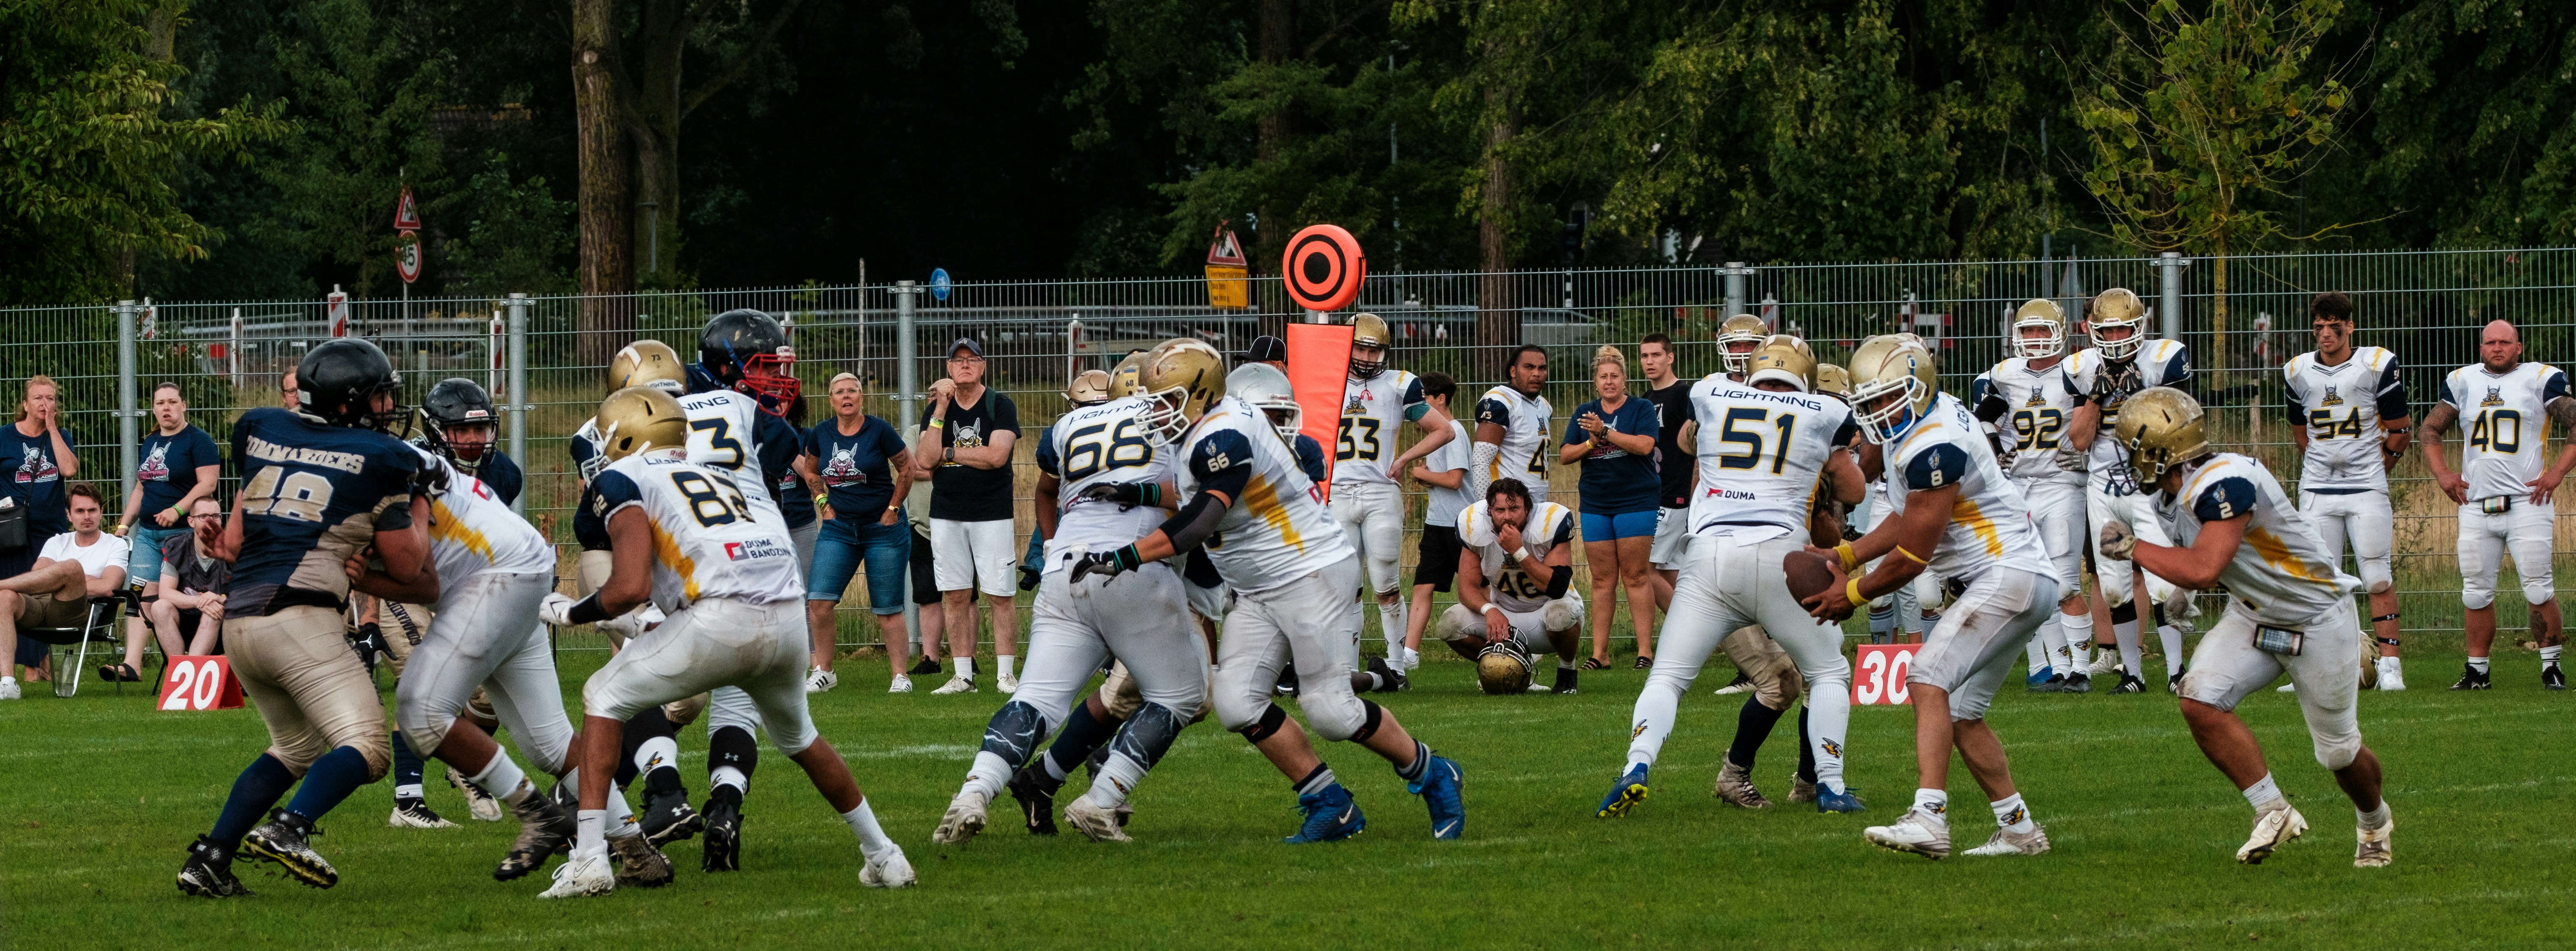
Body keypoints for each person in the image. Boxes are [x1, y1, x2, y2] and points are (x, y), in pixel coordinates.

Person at [1066, 339, 1465, 843]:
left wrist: (1124, 555)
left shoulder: (1225, 434)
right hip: (1260, 584)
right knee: (1236, 702)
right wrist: (1135, 491)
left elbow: (1199, 519)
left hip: (1309, 573)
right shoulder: (1204, 427)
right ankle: (1330, 803)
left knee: (1331, 709)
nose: (1157, 410)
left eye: (1166, 399)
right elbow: (1189, 489)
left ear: (1200, 393)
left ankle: (1432, 772)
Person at [534, 386, 914, 897]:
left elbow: (630, 588)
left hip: (719, 618)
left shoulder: (627, 475)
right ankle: (884, 854)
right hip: (786, 619)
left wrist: (569, 611)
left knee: (603, 695)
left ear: (624, 435)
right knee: (801, 738)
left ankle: (589, 860)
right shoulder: (723, 473)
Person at [173, 337, 431, 896]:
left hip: (241, 622)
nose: (387, 408)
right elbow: (410, 567)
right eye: (379, 397)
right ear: (348, 403)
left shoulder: (265, 430)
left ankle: (212, 858)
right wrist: (419, 503)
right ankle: (290, 827)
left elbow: (235, 545)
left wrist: (222, 545)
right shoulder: (381, 457)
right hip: (300, 619)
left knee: (296, 748)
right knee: (368, 745)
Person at [2108, 386, 2394, 867]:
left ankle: (2375, 821)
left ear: (2161, 449)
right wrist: (2187, 593)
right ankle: (2272, 808)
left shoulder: (2225, 481)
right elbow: (2209, 562)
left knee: (2339, 754)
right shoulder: (2171, 493)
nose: (2131, 459)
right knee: (2198, 697)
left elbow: (2203, 564)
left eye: (2135, 448)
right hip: (2255, 613)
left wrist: (2132, 548)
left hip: (2316, 617)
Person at [932, 358, 1208, 845]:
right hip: (1131, 566)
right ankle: (1101, 799)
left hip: (1065, 570)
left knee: (1035, 697)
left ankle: (973, 791)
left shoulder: (1069, 423)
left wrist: (1054, 541)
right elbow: (1194, 494)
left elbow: (1054, 485)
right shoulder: (1173, 420)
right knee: (1181, 695)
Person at [1597, 336, 1865, 820]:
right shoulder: (1822, 409)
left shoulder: (1713, 391)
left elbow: (1686, 439)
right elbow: (1854, 487)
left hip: (1708, 558)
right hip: (1779, 556)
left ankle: (1635, 766)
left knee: (1669, 677)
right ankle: (1830, 783)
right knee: (1828, 672)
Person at [1816, 336, 2060, 859]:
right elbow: (1910, 517)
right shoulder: (1929, 418)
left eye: (1890, 397)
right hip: (2019, 578)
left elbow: (1913, 554)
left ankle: (1929, 817)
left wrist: (1851, 593)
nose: (1881, 411)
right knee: (1962, 715)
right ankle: (2019, 830)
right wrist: (1847, 554)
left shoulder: (1935, 443)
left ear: (1919, 387)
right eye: (1873, 401)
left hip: (2006, 575)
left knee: (1926, 676)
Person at [375, 441, 648, 885]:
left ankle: (538, 814)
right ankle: (638, 849)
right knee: (551, 742)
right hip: (521, 572)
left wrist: (359, 577)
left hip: (495, 580)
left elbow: (422, 583)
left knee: (420, 708)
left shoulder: (382, 466)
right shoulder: (401, 456)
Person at [2418, 318, 2576, 691]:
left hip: (2527, 500)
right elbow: (2429, 430)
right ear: (2480, 348)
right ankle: (2477, 672)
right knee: (2474, 590)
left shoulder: (2541, 378)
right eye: (2490, 342)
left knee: (2538, 587)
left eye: (2505, 342)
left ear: (2518, 347)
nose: (2497, 348)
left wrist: (2556, 473)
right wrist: (2443, 474)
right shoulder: (2462, 380)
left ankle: (2551, 667)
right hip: (2475, 502)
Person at [2062, 288, 2194, 693]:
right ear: (2093, 331)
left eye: (2123, 330)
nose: (2116, 339)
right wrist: (2095, 395)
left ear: (2139, 328)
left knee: (2161, 582)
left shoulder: (2164, 359)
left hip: (2148, 484)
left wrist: (2141, 397)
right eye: (2108, 331)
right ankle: (2132, 673)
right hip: (2104, 487)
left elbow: (2179, 429)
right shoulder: (2083, 368)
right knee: (2115, 583)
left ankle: (2176, 671)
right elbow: (2080, 440)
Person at [2282, 292, 2412, 691]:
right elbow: (2301, 433)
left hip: (2365, 487)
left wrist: (2374, 467)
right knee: (2319, 580)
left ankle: (2390, 665)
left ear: (2349, 326)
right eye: (2318, 326)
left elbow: (2401, 429)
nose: (2324, 333)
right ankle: (2317, 668)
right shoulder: (2297, 370)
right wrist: (2328, 464)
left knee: (2375, 575)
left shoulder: (2374, 364)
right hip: (2319, 488)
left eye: (2332, 325)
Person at [1971, 301, 2097, 693]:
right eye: (2028, 332)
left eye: (2043, 331)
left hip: (2062, 484)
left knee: (2064, 584)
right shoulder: (2005, 375)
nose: (2036, 339)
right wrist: (1994, 444)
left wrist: (2085, 451)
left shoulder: (2079, 370)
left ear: (2059, 332)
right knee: (2038, 585)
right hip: (2019, 488)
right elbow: (1982, 417)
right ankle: (2058, 669)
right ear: (2017, 335)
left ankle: (2082, 669)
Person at [1332, 313, 1456, 672]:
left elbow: (1443, 430)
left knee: (1386, 584)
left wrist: (1404, 458)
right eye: (1361, 348)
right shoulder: (1329, 381)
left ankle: (1397, 666)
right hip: (1337, 492)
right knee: (1345, 588)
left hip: (1379, 491)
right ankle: (1348, 668)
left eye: (1376, 351)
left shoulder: (1400, 384)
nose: (1368, 358)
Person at [911, 336, 1022, 694]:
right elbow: (924, 460)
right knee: (955, 594)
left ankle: (1005, 673)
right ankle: (963, 676)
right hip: (946, 514)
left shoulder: (999, 405)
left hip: (991, 514)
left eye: (972, 359)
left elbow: (996, 457)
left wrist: (948, 451)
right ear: (947, 368)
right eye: (958, 360)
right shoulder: (937, 410)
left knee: (999, 594)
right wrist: (941, 409)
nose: (964, 365)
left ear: (982, 366)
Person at [801, 373, 916, 692]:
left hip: (883, 529)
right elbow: (811, 469)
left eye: (852, 390)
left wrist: (893, 510)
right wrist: (823, 503)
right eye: (839, 392)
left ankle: (899, 677)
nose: (846, 396)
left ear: (862, 397)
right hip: (838, 529)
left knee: (888, 608)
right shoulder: (820, 434)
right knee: (819, 602)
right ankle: (825, 671)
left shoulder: (879, 430)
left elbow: (907, 468)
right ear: (831, 400)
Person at [107, 382, 221, 683]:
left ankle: (188, 667)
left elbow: (208, 483)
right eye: (160, 403)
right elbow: (141, 487)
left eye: (172, 402)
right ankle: (132, 664)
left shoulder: (198, 440)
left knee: (167, 598)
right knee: (136, 593)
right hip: (147, 534)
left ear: (184, 405)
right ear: (154, 408)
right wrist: (123, 524)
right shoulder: (150, 442)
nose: (166, 408)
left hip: (182, 535)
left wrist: (179, 510)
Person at [1560, 344, 1660, 669]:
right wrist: (1590, 442)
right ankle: (1599, 654)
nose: (1608, 381)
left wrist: (1605, 432)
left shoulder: (1641, 408)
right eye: (1602, 376)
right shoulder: (1584, 412)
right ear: (1595, 381)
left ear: (1624, 379)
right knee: (1602, 580)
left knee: (1635, 575)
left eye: (1614, 376)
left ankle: (1644, 652)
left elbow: (1644, 445)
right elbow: (1565, 455)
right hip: (1595, 502)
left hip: (1636, 500)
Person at [1437, 478, 1583, 693]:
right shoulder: (1474, 525)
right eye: (1500, 510)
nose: (1507, 516)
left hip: (1546, 614)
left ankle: (1567, 673)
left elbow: (1557, 587)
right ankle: (1509, 671)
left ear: (1528, 508)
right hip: (1504, 615)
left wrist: (1519, 551)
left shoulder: (1549, 521)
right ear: (1490, 511)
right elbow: (1467, 588)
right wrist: (1490, 610)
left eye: (1514, 509)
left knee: (1561, 614)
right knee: (1450, 624)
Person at [0, 483, 127, 699]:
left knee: (71, 567)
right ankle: (8, 684)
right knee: (5, 597)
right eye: (79, 511)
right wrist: (82, 579)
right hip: (40, 608)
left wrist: (72, 578)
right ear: (69, 515)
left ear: (101, 512)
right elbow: (36, 577)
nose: (87, 516)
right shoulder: (57, 541)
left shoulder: (116, 544)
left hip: (80, 614)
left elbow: (108, 587)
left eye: (92, 510)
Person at [1403, 372, 1470, 672]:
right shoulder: (1433, 438)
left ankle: (1504, 645)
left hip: (1460, 527)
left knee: (1475, 590)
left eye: (1424, 401)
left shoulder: (1454, 432)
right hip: (1436, 524)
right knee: (1422, 586)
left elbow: (1455, 480)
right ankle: (1408, 655)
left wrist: (1421, 475)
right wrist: (1429, 479)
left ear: (1440, 399)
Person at [0, 375, 82, 582]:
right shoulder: (5, 436)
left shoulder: (62, 436)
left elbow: (69, 470)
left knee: (47, 590)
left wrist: (52, 428)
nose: (45, 403)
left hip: (52, 531)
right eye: (38, 398)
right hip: (13, 532)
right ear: (26, 405)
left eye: (50, 398)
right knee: (11, 589)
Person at [1638, 332, 1690, 629]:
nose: (1649, 362)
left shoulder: (1683, 395)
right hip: (1652, 494)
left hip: (1674, 495)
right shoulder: (1646, 400)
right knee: (1672, 573)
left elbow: (1695, 446)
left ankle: (1687, 633)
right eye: (1645, 356)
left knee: (1643, 569)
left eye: (1656, 355)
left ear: (1670, 357)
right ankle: (1711, 635)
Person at [142, 497, 229, 659]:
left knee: (213, 611)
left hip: (225, 625)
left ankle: (189, 674)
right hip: (185, 621)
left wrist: (218, 598)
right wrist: (200, 602)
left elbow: (246, 594)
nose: (211, 521)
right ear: (191, 521)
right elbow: (166, 593)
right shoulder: (177, 547)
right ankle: (180, 669)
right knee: (160, 607)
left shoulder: (234, 549)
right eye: (203, 517)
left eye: (216, 516)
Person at [1469, 345, 1553, 506]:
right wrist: (1487, 508)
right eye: (1529, 367)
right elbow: (1481, 461)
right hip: (1507, 506)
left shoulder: (1544, 406)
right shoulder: (1500, 402)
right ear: (1513, 372)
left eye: (1542, 368)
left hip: (1536, 504)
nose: (1536, 373)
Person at [419, 378, 523, 506]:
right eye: (462, 430)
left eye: (479, 429)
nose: (473, 439)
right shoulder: (415, 469)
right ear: (434, 432)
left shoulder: (502, 473)